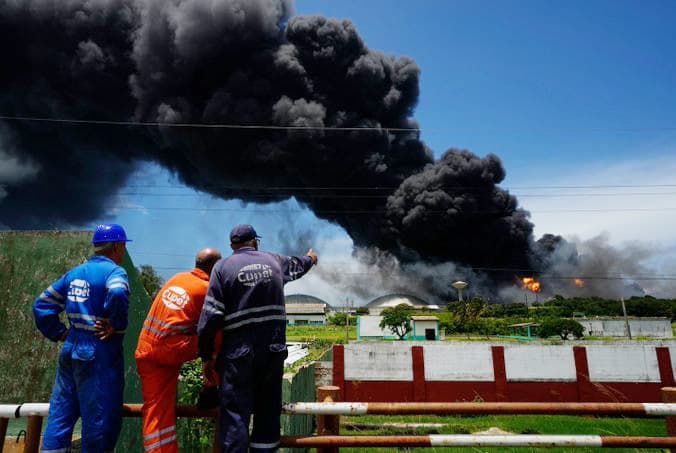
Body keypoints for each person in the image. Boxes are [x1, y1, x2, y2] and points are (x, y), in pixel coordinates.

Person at [197, 225, 318, 453]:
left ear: (232, 246)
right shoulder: (275, 261)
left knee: (235, 413)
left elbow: (210, 317)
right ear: (255, 242)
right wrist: (311, 258)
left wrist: (206, 355)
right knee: (267, 410)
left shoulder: (222, 268)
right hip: (272, 350)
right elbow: (299, 265)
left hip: (238, 353)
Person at [33, 224, 132, 453]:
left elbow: (42, 304)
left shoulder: (75, 273)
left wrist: (59, 332)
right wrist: (115, 324)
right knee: (100, 416)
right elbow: (117, 291)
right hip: (98, 348)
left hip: (71, 346)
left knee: (61, 411)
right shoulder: (115, 272)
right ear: (118, 246)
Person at [135, 247, 222, 453]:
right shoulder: (206, 289)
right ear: (216, 268)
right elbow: (213, 332)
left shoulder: (178, 278)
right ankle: (212, 387)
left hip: (147, 349)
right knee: (221, 335)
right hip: (171, 348)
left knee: (156, 410)